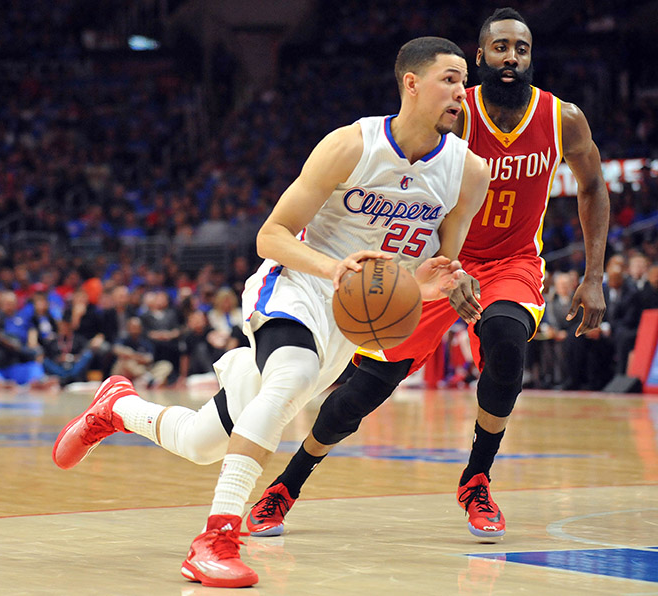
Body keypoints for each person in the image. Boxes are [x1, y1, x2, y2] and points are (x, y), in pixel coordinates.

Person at [53, 36, 490, 588]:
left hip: (350, 320)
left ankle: (118, 407)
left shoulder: (469, 172)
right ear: (411, 83)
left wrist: (440, 287)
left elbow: (438, 267)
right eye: (450, 79)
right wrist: (334, 270)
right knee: (293, 379)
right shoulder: (351, 145)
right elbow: (270, 236)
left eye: (462, 82)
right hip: (298, 285)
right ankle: (215, 540)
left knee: (203, 444)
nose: (461, 92)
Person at [245, 7, 609, 542]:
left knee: (507, 339)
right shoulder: (454, 111)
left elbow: (594, 185)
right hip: (438, 263)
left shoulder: (563, 120)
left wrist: (594, 273)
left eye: (522, 49)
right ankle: (288, 484)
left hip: (511, 263)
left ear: (532, 57)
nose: (512, 57)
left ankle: (477, 478)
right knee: (365, 389)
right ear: (480, 55)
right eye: (501, 47)